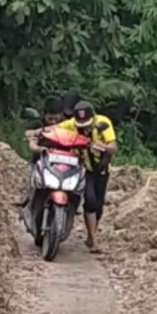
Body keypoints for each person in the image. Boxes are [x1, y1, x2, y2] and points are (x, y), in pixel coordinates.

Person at [56, 101, 117, 253]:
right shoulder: (72, 125)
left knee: (98, 206)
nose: (85, 128)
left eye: (88, 124)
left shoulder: (103, 124)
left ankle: (92, 235)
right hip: (86, 169)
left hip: (102, 170)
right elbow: (56, 129)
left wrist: (101, 146)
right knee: (90, 200)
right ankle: (93, 239)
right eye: (81, 125)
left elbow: (113, 147)